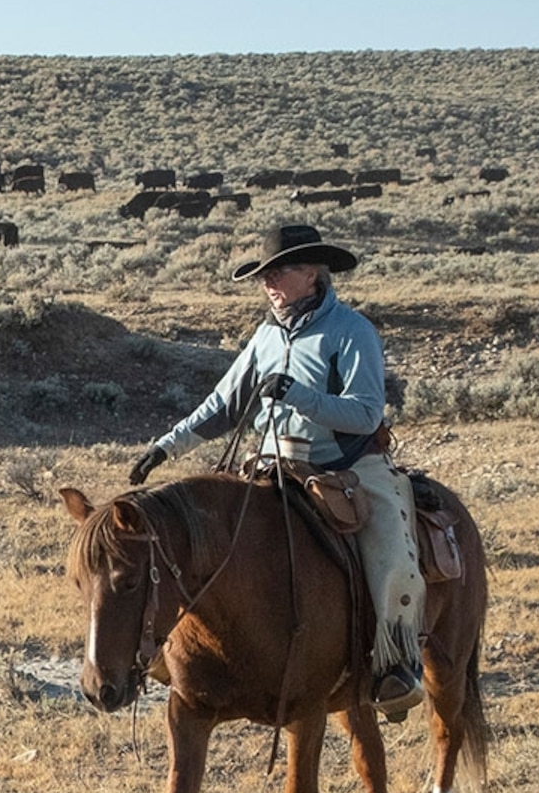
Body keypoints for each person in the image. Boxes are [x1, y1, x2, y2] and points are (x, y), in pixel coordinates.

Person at [128, 220, 423, 712]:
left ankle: (397, 666)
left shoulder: (352, 332)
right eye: (264, 275)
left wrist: (297, 393)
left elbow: (366, 412)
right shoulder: (265, 337)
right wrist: (166, 447)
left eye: (278, 272)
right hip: (273, 464)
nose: (268, 284)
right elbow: (222, 405)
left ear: (312, 273)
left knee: (391, 549)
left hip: (348, 468)